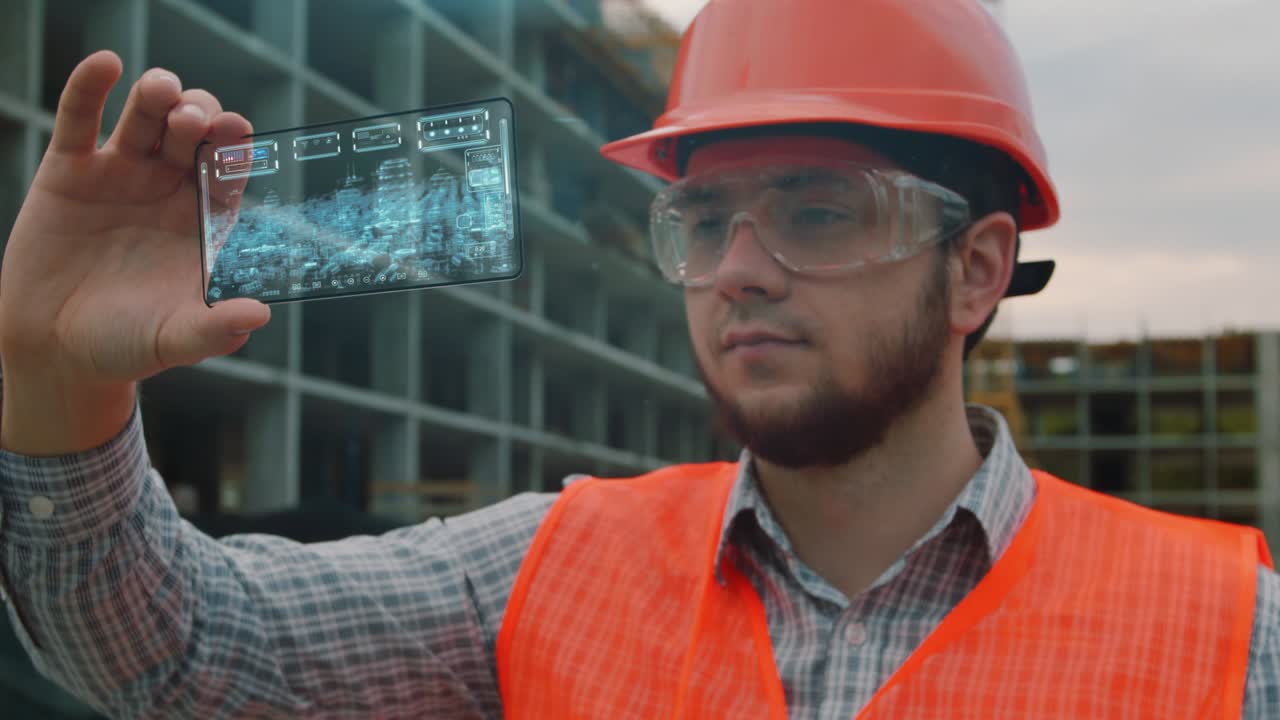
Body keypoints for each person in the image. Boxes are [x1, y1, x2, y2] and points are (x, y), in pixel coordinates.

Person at [1, 0, 1276, 717]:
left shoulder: (1232, 642)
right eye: (705, 221)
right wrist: (59, 379)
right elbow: (169, 651)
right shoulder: (541, 574)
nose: (739, 268)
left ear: (978, 270)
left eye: (817, 212)